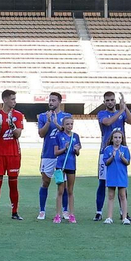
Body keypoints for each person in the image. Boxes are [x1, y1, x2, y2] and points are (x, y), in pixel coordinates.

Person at [93, 92, 131, 221]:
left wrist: (125, 107)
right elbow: (107, 122)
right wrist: (121, 111)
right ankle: (99, 212)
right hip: (105, 151)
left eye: (112, 100)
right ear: (104, 101)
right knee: (103, 182)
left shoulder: (122, 112)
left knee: (121, 183)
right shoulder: (102, 114)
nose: (110, 102)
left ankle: (124, 213)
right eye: (107, 100)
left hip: (120, 150)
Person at [34, 92, 71, 221]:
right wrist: (49, 122)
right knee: (45, 182)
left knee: (63, 183)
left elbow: (66, 131)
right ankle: (42, 210)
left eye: (54, 100)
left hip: (61, 155)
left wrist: (55, 122)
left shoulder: (66, 116)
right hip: (47, 154)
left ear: (59, 102)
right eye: (49, 100)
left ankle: (65, 210)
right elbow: (41, 134)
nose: (51, 102)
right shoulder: (43, 116)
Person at [0, 89, 24, 219]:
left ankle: (14, 212)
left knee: (13, 183)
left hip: (14, 154)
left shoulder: (19, 115)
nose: (15, 101)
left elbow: (18, 134)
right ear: (5, 100)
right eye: (12, 99)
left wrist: (12, 125)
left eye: (15, 99)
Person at [52, 116, 82, 223]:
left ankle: (71, 214)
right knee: (60, 191)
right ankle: (57, 215)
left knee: (70, 191)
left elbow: (77, 153)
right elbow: (56, 152)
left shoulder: (76, 136)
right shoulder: (58, 136)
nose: (69, 126)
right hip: (60, 166)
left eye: (71, 124)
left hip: (71, 166)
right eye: (67, 124)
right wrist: (65, 148)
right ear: (63, 125)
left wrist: (76, 149)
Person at [100, 128, 131, 224]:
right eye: (115, 137)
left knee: (122, 195)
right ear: (112, 139)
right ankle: (109, 217)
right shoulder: (107, 149)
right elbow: (106, 162)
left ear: (122, 139)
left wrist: (122, 157)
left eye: (119, 137)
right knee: (110, 195)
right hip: (111, 175)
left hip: (121, 175)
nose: (117, 139)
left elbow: (127, 162)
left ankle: (124, 217)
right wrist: (112, 156)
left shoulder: (125, 149)